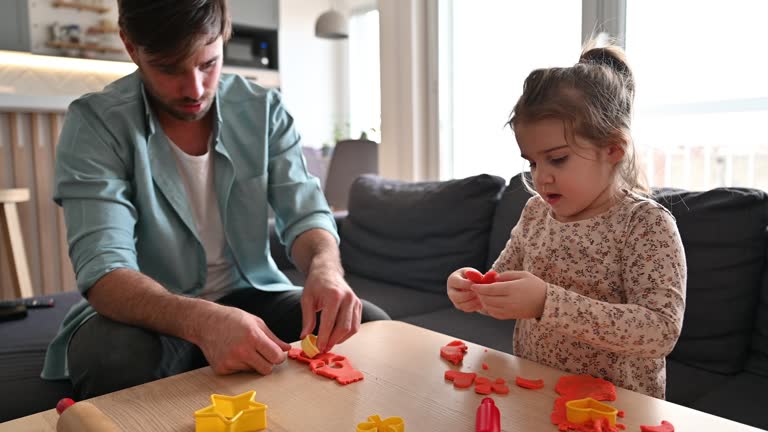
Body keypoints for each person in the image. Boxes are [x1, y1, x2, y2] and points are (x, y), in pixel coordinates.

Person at [42, 0, 389, 399]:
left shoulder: (264, 110)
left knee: (367, 325)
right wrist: (203, 322)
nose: (194, 89)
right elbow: (104, 271)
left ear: (224, 36)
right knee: (114, 357)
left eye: (208, 63)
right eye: (170, 68)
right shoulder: (95, 124)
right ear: (131, 46)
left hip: (250, 293)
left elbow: (307, 213)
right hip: (148, 312)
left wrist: (326, 269)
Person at [446, 41, 686, 399]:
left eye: (557, 159)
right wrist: (473, 289)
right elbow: (502, 282)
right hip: (538, 393)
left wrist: (547, 303)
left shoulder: (645, 225)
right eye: (532, 162)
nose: (541, 177)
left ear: (613, 150)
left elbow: (660, 330)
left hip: (615, 409)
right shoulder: (536, 213)